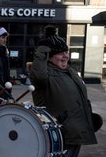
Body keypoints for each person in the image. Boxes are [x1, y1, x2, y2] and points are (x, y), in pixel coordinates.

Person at [30, 25, 97, 157]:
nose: (66, 56)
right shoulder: (45, 74)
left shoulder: (70, 72)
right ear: (49, 56)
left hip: (76, 131)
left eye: (66, 52)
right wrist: (42, 49)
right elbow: (38, 76)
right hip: (59, 133)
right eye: (61, 53)